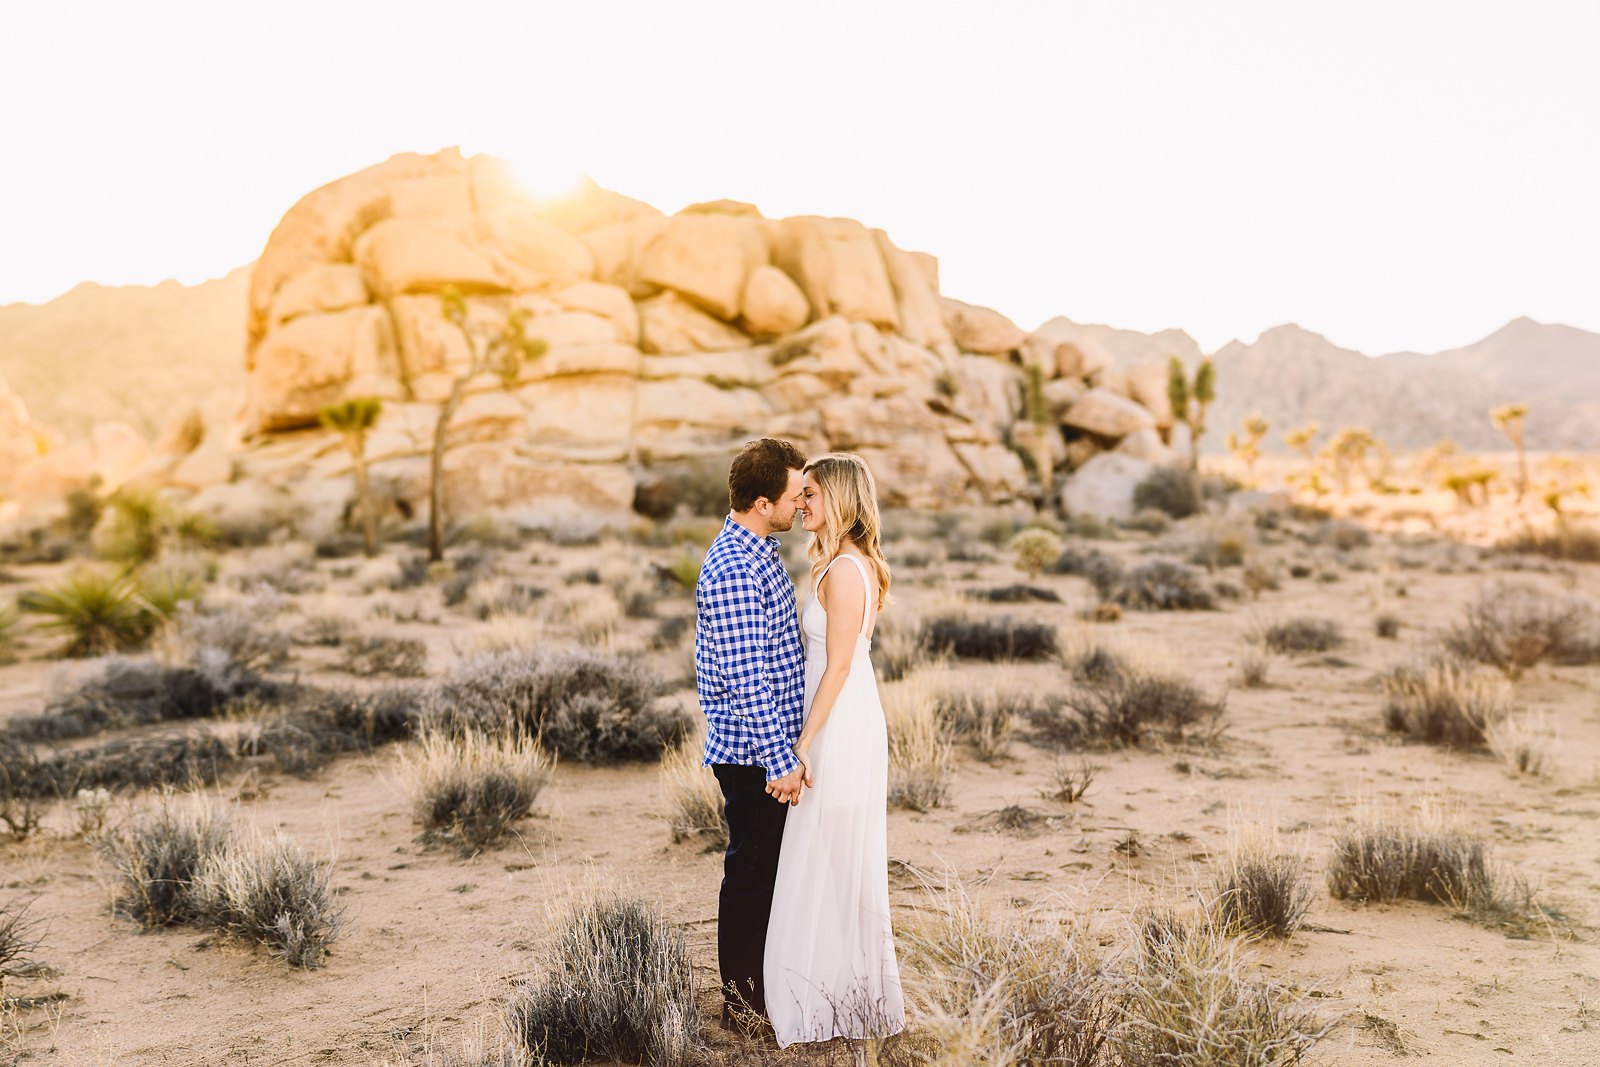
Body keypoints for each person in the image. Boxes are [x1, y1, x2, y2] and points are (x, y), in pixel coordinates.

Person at [764, 451, 905, 1053]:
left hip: (838, 724)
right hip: (835, 717)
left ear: (841, 500)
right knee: (827, 856)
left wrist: (800, 744)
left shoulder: (846, 571)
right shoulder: (842, 564)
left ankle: (842, 998)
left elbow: (840, 665)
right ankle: (838, 990)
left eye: (813, 494)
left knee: (832, 857)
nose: (803, 503)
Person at [694, 437, 810, 1031]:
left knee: (767, 873)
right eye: (795, 495)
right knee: (750, 876)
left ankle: (764, 988)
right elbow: (745, 678)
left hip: (768, 747)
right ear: (764, 502)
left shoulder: (760, 548)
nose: (801, 503)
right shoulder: (736, 565)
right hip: (751, 754)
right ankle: (742, 1006)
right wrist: (778, 760)